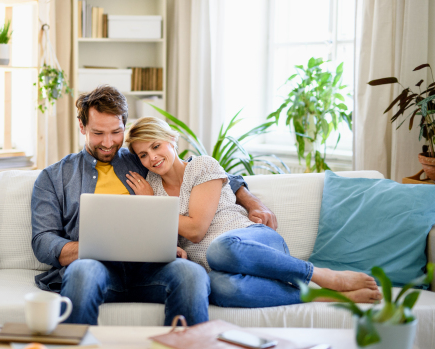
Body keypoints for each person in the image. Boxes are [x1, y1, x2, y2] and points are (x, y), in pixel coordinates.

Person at [31, 85, 280, 325]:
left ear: (124, 127)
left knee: (192, 275)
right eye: (98, 133)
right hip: (94, 267)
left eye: (116, 132)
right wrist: (94, 247)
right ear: (82, 126)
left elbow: (208, 175)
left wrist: (252, 202)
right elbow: (43, 241)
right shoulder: (54, 177)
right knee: (82, 274)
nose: (107, 142)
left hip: (155, 268)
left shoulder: (142, 158)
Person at [125, 116, 383, 307]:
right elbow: (172, 241)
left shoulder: (202, 167)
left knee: (220, 248)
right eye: (144, 155)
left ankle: (321, 275)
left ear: (172, 140)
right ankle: (326, 297)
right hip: (217, 270)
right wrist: (173, 250)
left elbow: (195, 230)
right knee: (222, 289)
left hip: (252, 243)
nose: (152, 158)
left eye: (156, 146)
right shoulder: (150, 188)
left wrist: (153, 206)